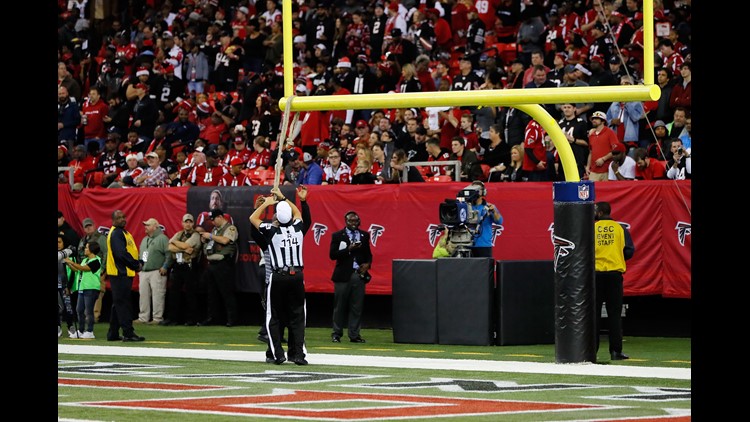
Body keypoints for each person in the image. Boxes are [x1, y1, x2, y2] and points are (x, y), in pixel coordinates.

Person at [250, 187, 308, 365]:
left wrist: (266, 204)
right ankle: (298, 354)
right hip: (297, 276)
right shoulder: (298, 229)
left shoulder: (271, 231)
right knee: (298, 317)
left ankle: (278, 354)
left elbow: (253, 219)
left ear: (276, 217)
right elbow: (299, 213)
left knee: (273, 316)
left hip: (278, 276)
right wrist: (285, 197)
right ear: (290, 216)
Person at [594, 201, 635, 361]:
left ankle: (592, 351)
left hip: (596, 275)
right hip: (614, 275)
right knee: (614, 315)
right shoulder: (620, 229)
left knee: (594, 315)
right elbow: (629, 251)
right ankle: (615, 352)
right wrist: (616, 256)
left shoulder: (592, 228)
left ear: (600, 212)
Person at [328, 210, 373, 344]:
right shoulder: (338, 235)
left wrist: (367, 264)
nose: (353, 223)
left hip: (358, 275)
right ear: (345, 221)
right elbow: (332, 255)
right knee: (339, 306)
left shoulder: (364, 235)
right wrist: (349, 248)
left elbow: (368, 254)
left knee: (357, 307)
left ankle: (354, 334)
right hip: (342, 275)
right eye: (350, 221)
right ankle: (336, 334)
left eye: (355, 221)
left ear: (359, 221)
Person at [105, 210, 145, 342]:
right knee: (124, 304)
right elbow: (120, 254)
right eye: (119, 217)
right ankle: (128, 333)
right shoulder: (116, 233)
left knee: (118, 304)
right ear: (113, 220)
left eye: (124, 217)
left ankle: (113, 333)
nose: (123, 219)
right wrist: (135, 264)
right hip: (120, 272)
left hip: (121, 273)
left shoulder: (121, 232)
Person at [199, 208, 239, 327]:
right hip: (212, 264)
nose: (212, 222)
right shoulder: (215, 230)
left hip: (224, 264)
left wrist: (210, 236)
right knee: (212, 294)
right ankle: (213, 318)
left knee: (227, 293)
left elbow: (226, 240)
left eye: (214, 219)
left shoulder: (230, 228)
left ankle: (232, 319)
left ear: (220, 217)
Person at [162, 213, 202, 326]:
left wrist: (175, 243)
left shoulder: (196, 235)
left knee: (191, 294)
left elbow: (185, 245)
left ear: (193, 223)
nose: (188, 224)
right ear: (182, 223)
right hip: (178, 265)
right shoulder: (179, 234)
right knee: (174, 293)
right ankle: (172, 318)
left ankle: (192, 319)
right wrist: (181, 247)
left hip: (189, 265)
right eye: (186, 222)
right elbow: (170, 247)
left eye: (190, 222)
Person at [64, 241, 102, 339]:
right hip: (82, 287)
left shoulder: (96, 261)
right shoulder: (85, 260)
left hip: (91, 288)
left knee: (88, 311)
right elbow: (78, 270)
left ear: (92, 250)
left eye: (86, 248)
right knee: (79, 310)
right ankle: (80, 330)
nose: (84, 249)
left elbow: (84, 268)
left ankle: (90, 331)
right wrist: (69, 264)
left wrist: (71, 262)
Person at [136, 218, 170, 324]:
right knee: (143, 295)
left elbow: (169, 254)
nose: (145, 227)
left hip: (157, 271)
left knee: (158, 295)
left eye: (148, 225)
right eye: (145, 225)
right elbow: (140, 255)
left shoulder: (163, 239)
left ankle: (157, 318)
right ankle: (143, 317)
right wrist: (139, 268)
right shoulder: (144, 239)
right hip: (144, 271)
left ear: (155, 226)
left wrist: (165, 266)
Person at [78, 218, 108, 322]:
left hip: (97, 269)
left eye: (90, 225)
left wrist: (103, 269)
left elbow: (106, 253)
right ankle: (87, 315)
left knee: (98, 292)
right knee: (86, 292)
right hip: (85, 270)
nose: (88, 228)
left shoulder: (101, 238)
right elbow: (80, 254)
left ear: (94, 225)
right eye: (86, 226)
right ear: (84, 228)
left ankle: (95, 316)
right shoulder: (83, 240)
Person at [466, 181, 503, 257]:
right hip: (467, 244)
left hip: (484, 245)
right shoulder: (465, 207)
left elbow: (499, 221)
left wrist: (494, 212)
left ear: (483, 192)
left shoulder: (489, 207)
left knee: (484, 268)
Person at [586, 111, 619, 181]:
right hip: (594, 170)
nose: (594, 120)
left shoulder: (610, 133)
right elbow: (591, 152)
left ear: (603, 121)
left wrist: (603, 159)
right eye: (593, 118)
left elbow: (616, 150)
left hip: (607, 170)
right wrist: (588, 166)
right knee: (593, 191)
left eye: (597, 118)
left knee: (608, 191)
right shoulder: (591, 135)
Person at [58, 234, 78, 339]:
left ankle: (71, 327)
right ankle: (58, 328)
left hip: (65, 286)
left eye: (59, 242)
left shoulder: (68, 256)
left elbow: (74, 272)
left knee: (69, 308)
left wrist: (69, 286)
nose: (58, 244)